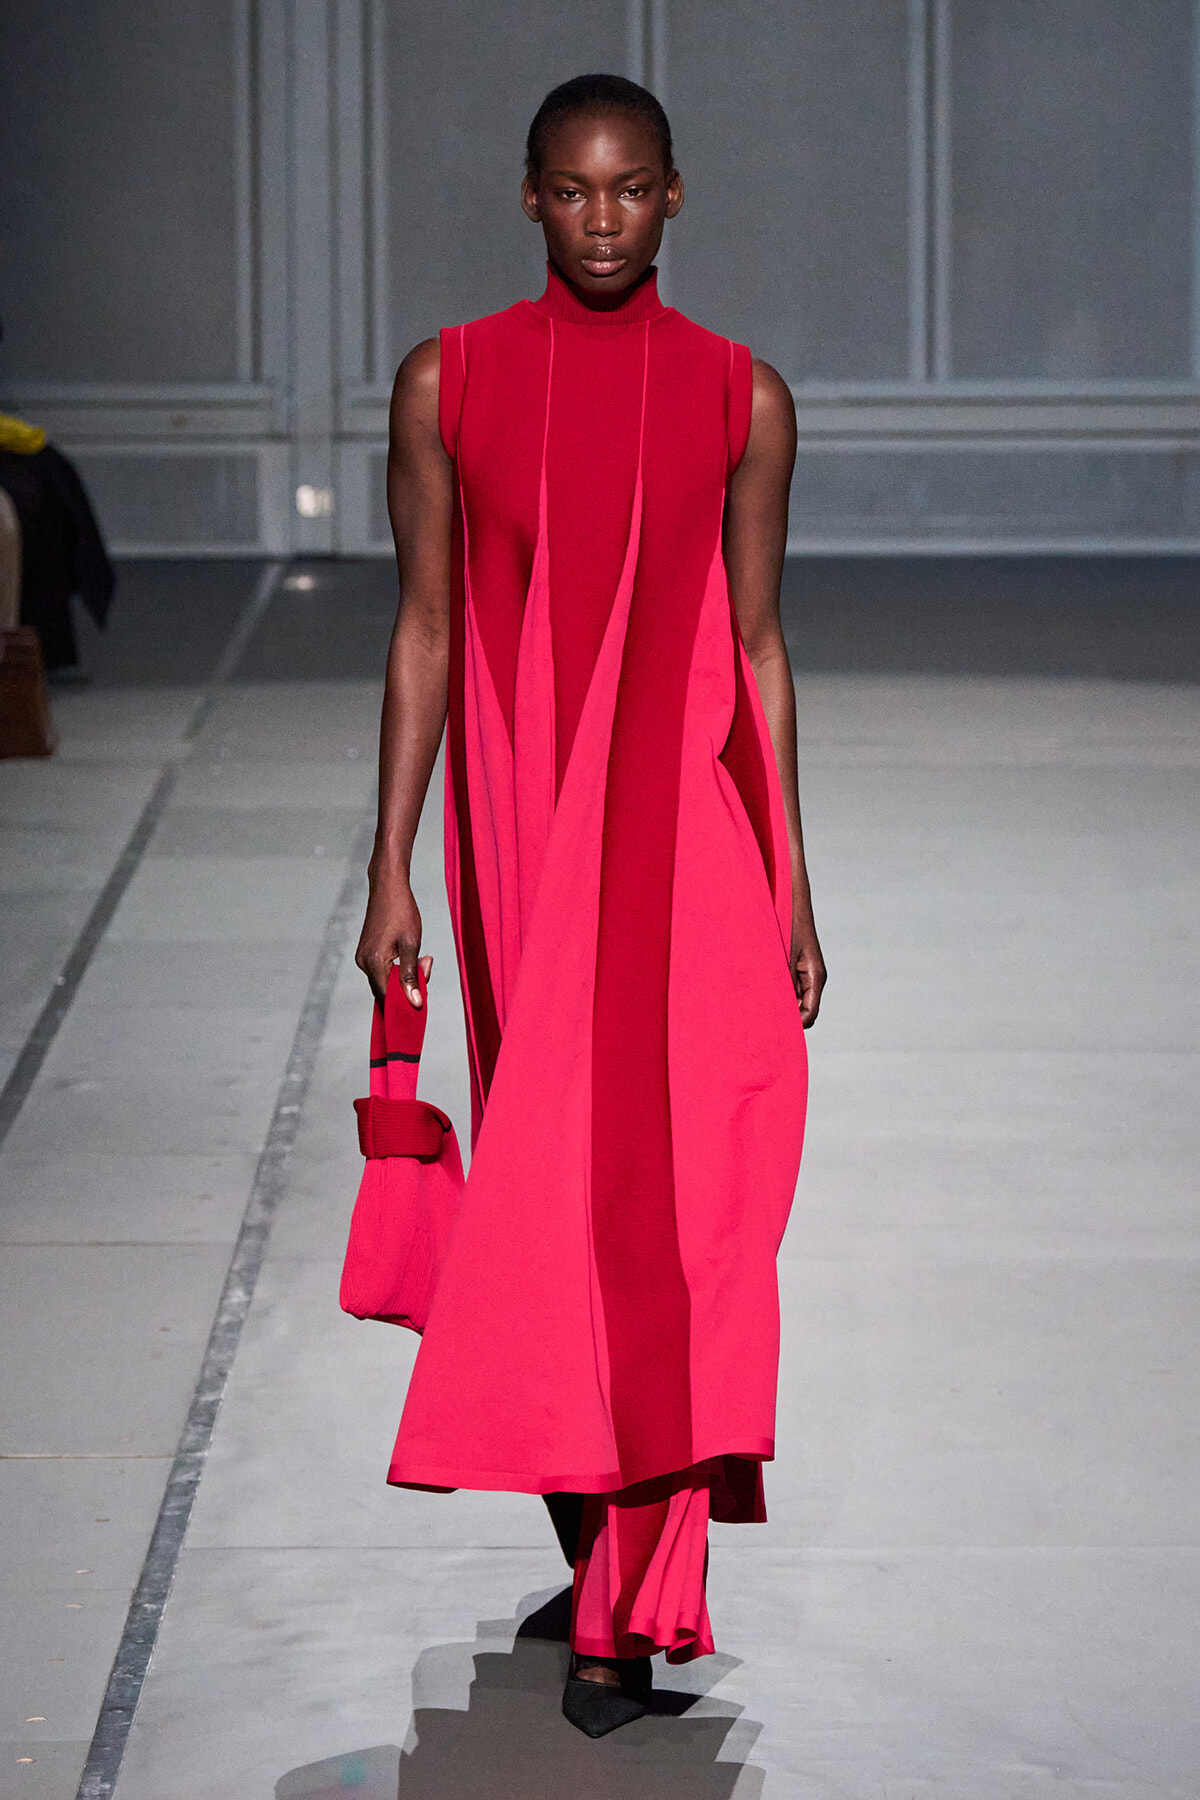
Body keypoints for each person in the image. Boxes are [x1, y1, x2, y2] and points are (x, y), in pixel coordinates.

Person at [355, 72, 825, 1739]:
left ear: (676, 199)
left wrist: (794, 886)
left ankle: (631, 1606)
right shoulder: (447, 381)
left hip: (688, 844)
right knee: (553, 1207)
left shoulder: (740, 398)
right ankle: (605, 1552)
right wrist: (390, 859)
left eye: (632, 191)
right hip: (523, 842)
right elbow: (422, 627)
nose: (604, 218)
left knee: (688, 1207)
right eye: (574, 190)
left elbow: (757, 648)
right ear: (530, 197)